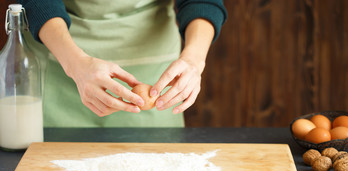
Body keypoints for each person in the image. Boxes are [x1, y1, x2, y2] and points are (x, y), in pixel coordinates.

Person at [18, 0, 227, 127]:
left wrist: (193, 59)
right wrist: (75, 64)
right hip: (59, 65)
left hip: (154, 70)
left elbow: (202, 1)